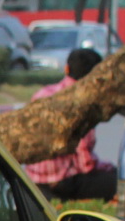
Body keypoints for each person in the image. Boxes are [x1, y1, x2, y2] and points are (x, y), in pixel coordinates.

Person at [25, 47, 118, 202]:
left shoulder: (42, 94)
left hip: (34, 176)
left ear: (66, 69)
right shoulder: (83, 101)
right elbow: (86, 162)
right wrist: (107, 168)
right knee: (120, 182)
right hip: (63, 181)